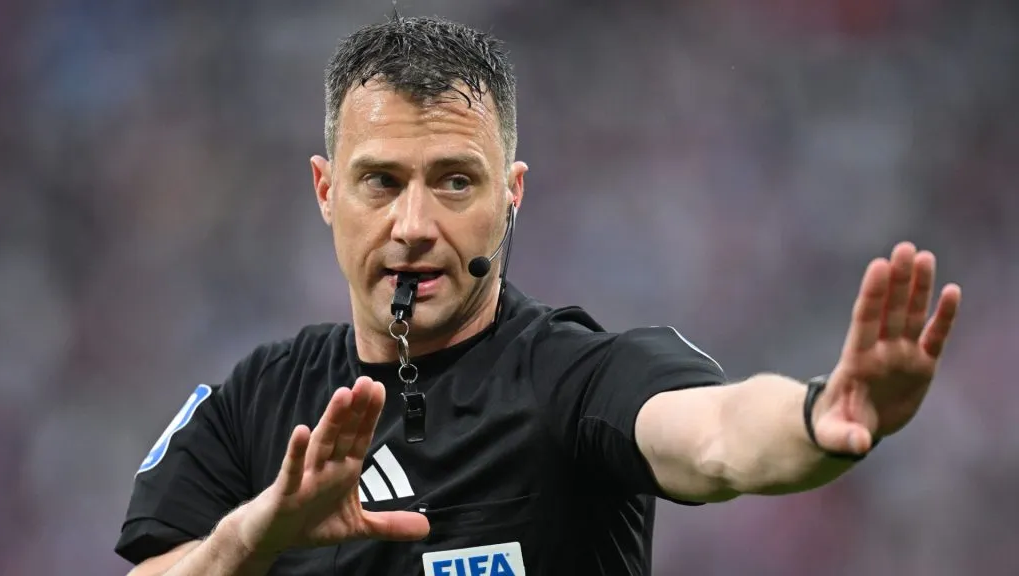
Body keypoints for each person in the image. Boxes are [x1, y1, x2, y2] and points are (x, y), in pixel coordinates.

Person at [115, 14, 962, 576]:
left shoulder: (573, 381)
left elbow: (715, 438)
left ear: (511, 194)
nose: (413, 224)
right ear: (326, 190)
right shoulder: (257, 402)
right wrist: (246, 539)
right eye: (380, 182)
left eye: (454, 182)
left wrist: (820, 416)